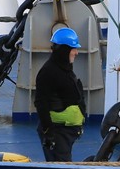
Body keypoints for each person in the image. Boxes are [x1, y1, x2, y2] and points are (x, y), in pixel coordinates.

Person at [34, 26, 86, 161]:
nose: (76, 53)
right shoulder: (48, 72)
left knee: (63, 166)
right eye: (74, 49)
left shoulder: (64, 68)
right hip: (58, 131)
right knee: (60, 167)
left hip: (66, 131)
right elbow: (41, 103)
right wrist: (48, 132)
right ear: (64, 50)